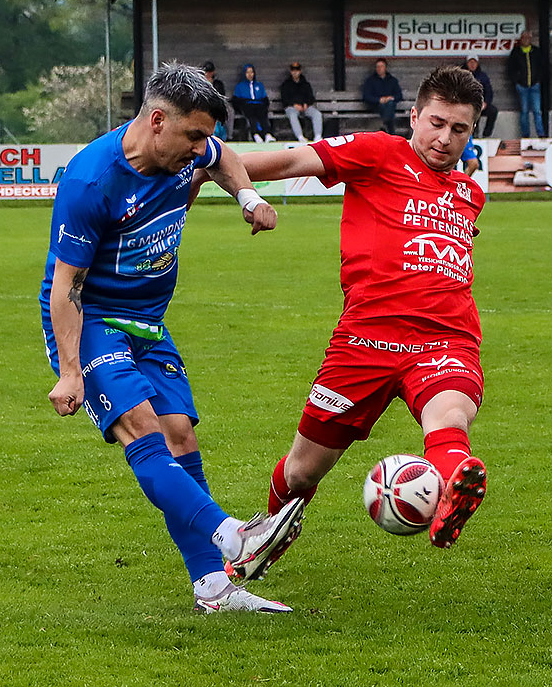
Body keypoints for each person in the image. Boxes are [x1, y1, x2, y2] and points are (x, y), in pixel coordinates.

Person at [40, 62, 299, 614]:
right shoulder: (93, 180)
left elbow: (224, 156)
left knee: (181, 433)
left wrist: (247, 198)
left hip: (149, 322)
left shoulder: (193, 150)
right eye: (193, 135)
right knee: (144, 429)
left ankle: (212, 587)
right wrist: (68, 372)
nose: (201, 147)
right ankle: (232, 536)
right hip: (93, 319)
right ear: (156, 120)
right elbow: (66, 289)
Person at [239, 65, 493, 556]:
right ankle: (264, 538)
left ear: (471, 131)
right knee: (301, 470)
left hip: (447, 337)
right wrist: (217, 169)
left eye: (459, 129)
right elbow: (294, 160)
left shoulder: (469, 193)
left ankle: (451, 485)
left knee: (451, 416)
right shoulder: (378, 153)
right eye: (437, 123)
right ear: (415, 116)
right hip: (366, 339)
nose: (445, 138)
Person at [506, 31, 544, 138]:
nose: (526, 40)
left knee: (537, 111)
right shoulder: (516, 52)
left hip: (535, 85)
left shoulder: (536, 51)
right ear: (521, 39)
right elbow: (510, 69)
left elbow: (542, 67)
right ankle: (525, 135)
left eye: (528, 38)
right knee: (524, 112)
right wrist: (517, 81)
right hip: (522, 86)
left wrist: (538, 79)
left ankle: (541, 134)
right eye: (524, 38)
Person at [277, 61, 322, 141]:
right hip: (291, 107)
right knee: (292, 115)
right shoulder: (286, 84)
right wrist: (293, 105)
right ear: (291, 71)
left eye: (297, 70)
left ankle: (318, 136)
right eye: (293, 70)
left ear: (300, 71)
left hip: (305, 107)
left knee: (317, 114)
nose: (295, 72)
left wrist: (306, 104)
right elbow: (284, 99)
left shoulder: (305, 84)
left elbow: (311, 97)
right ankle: (300, 136)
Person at [361, 59, 405, 135]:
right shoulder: (370, 81)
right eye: (377, 66)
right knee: (385, 105)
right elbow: (366, 96)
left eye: (381, 66)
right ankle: (390, 130)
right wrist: (379, 100)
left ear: (385, 68)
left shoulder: (392, 80)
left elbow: (399, 95)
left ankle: (384, 125)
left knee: (390, 103)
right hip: (375, 105)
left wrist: (391, 98)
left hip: (390, 105)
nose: (379, 68)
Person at [230, 63, 271, 142]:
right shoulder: (240, 86)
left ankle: (267, 134)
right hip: (247, 105)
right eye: (247, 72)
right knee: (251, 116)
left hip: (258, 104)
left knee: (263, 115)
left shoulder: (259, 85)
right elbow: (235, 100)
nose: (250, 74)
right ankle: (255, 134)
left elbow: (264, 98)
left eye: (251, 72)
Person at [463, 56, 498, 137]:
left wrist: (485, 103)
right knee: (474, 114)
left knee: (493, 111)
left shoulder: (483, 76)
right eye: (470, 62)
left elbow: (489, 91)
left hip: (481, 104)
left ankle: (486, 134)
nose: (472, 65)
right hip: (467, 105)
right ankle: (473, 135)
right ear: (467, 63)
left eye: (474, 62)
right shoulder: (462, 75)